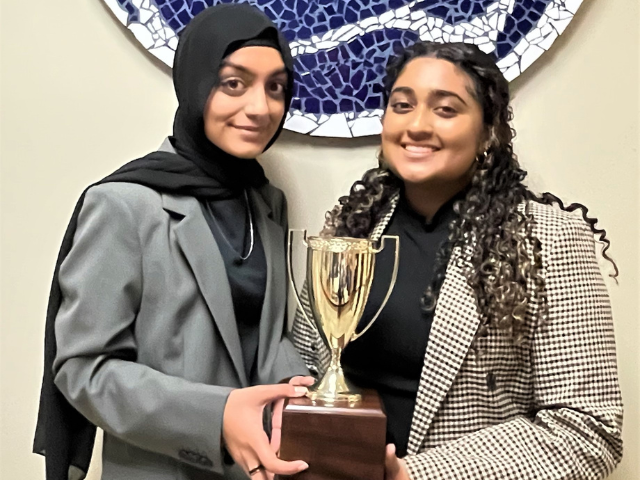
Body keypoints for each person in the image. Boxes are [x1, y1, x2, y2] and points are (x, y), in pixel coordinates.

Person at [293, 41, 623, 480]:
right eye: (402, 105)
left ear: (488, 131)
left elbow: (588, 430)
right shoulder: (348, 228)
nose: (417, 125)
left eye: (446, 110)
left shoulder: (549, 239)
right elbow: (305, 368)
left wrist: (415, 476)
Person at [33, 4, 313, 480]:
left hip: (260, 469)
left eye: (276, 88)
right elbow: (83, 368)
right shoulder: (124, 205)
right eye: (233, 83)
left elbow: (262, 336)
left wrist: (297, 391)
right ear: (195, 83)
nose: (260, 107)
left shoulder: (267, 203)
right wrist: (217, 416)